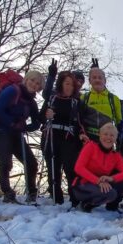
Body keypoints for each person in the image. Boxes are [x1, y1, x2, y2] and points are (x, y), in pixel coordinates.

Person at [0, 70, 44, 203]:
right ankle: (7, 193)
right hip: (0, 129)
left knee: (31, 162)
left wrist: (28, 127)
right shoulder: (12, 91)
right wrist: (12, 123)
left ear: (39, 88)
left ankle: (32, 193)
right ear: (26, 79)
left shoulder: (31, 102)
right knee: (5, 162)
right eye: (32, 80)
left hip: (16, 133)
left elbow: (37, 121)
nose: (34, 84)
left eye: (37, 83)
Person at [40, 71, 88, 206]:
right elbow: (40, 117)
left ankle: (74, 198)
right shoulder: (52, 98)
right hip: (51, 136)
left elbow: (79, 122)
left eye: (72, 85)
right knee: (53, 167)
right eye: (67, 83)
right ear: (61, 84)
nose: (69, 87)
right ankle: (56, 197)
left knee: (70, 168)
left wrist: (82, 133)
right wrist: (46, 115)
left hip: (68, 138)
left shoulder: (76, 102)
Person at [72, 123, 123, 212]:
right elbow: (78, 168)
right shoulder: (90, 146)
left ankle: (112, 206)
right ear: (100, 135)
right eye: (105, 134)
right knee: (111, 194)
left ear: (115, 139)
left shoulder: (116, 155)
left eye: (112, 135)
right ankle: (87, 204)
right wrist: (98, 181)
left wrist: (111, 178)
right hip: (82, 185)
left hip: (101, 185)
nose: (108, 137)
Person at [81, 67, 122, 141]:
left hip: (107, 140)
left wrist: (118, 140)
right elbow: (79, 120)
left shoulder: (113, 99)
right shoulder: (84, 97)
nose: (97, 80)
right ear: (90, 81)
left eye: (100, 78)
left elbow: (119, 122)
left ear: (105, 81)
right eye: (94, 77)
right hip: (88, 140)